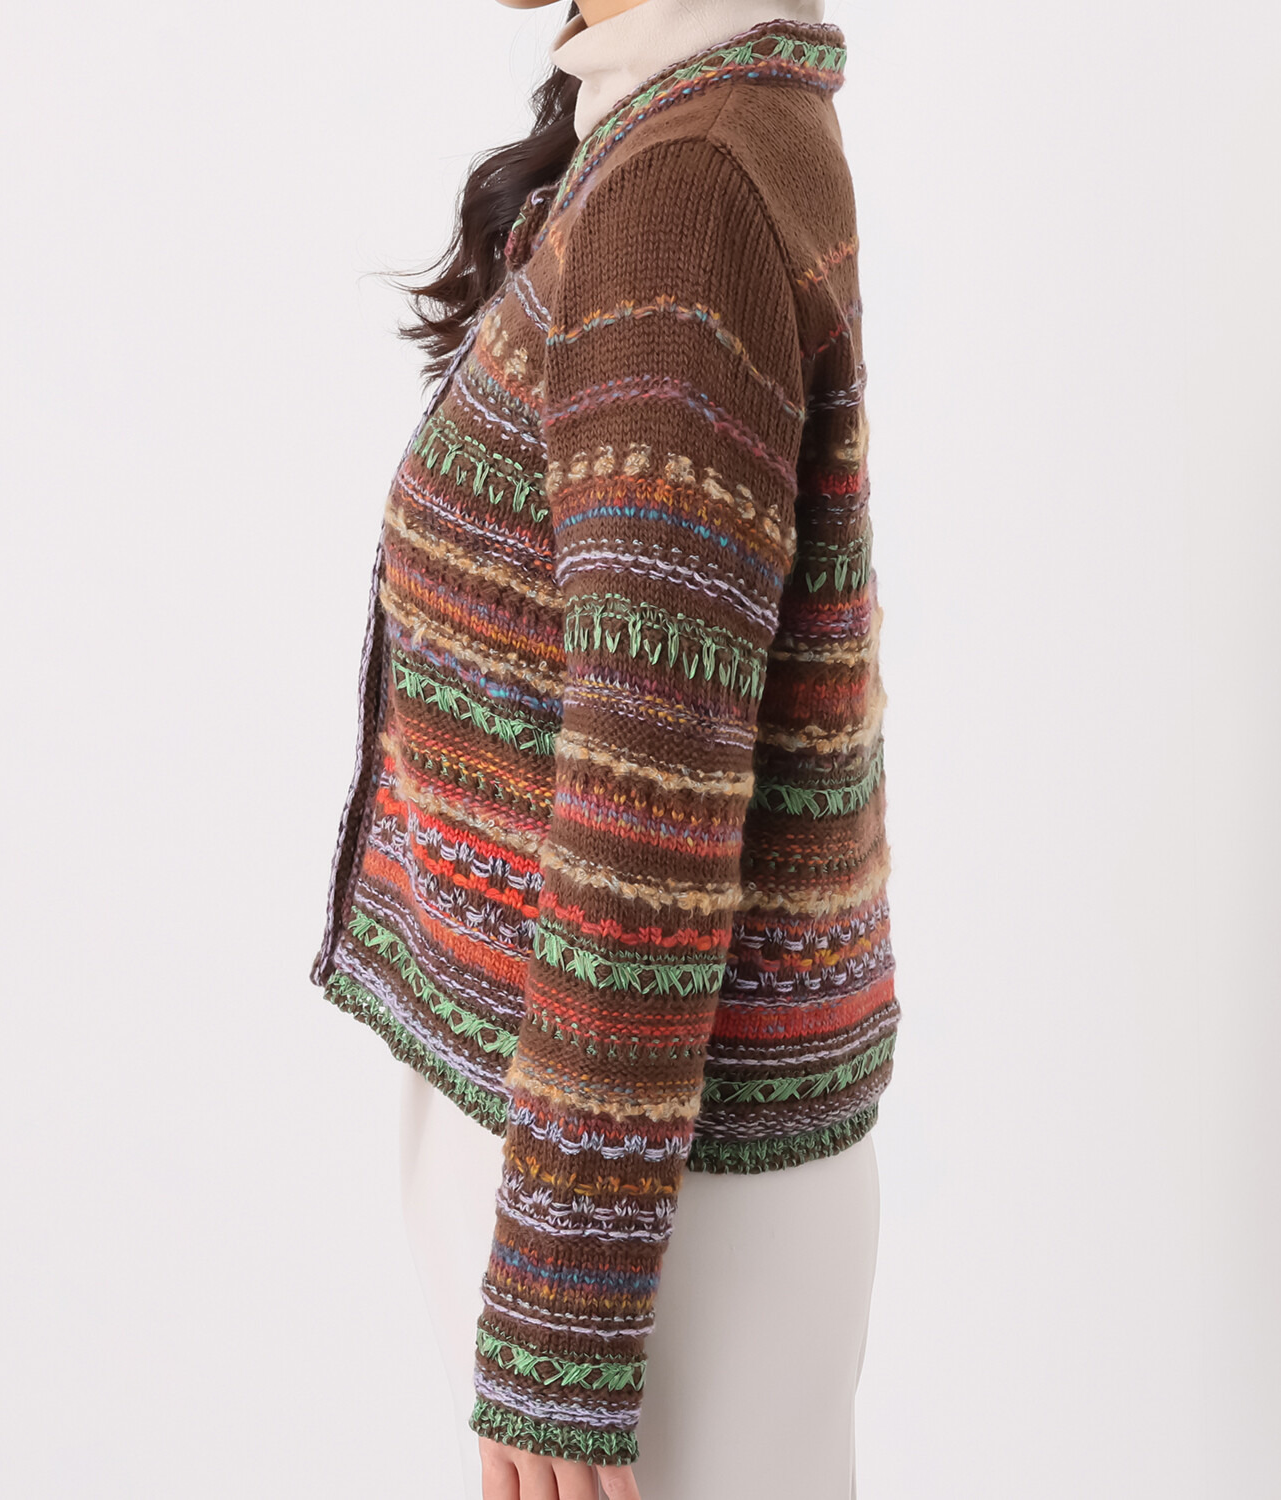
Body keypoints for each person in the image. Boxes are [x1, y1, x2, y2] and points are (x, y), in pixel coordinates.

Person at [310, 3, 899, 1495]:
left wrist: (560, 1338)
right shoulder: (706, 121)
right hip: (654, 1177)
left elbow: (650, 809)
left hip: (650, 1222)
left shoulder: (685, 195)